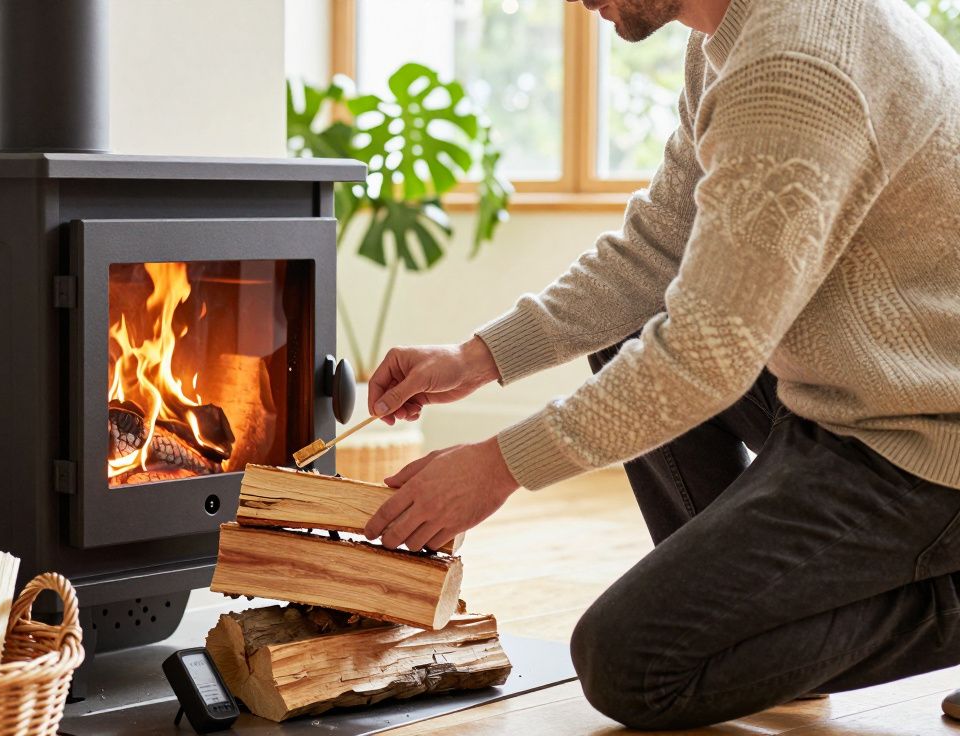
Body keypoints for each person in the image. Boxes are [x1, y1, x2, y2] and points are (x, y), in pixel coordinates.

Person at [360, 0, 960, 728]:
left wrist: (497, 466)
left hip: (924, 441)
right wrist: (476, 357)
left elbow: (706, 354)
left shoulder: (791, 67)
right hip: (861, 385)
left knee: (632, 666)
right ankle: (762, 638)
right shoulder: (730, 34)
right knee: (633, 328)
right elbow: (659, 251)